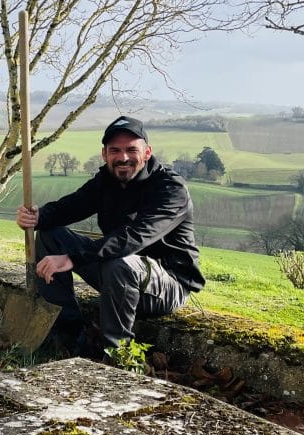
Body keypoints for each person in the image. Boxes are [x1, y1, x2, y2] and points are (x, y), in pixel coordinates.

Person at [15, 115, 204, 356]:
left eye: (131, 150)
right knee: (50, 235)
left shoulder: (170, 190)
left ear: (147, 153)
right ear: (105, 154)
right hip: (117, 275)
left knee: (120, 262)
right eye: (115, 150)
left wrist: (74, 257)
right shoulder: (106, 181)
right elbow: (70, 207)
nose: (123, 157)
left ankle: (117, 357)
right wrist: (38, 216)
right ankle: (69, 337)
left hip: (166, 286)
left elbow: (134, 237)